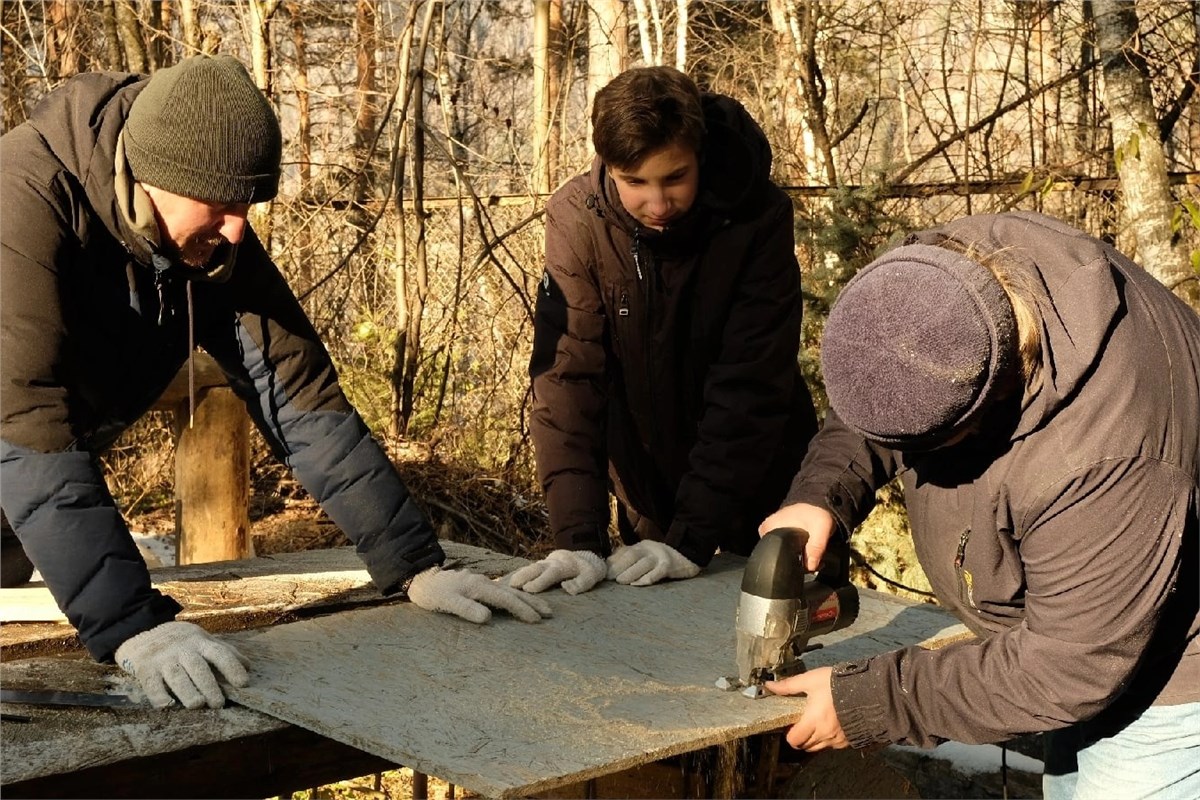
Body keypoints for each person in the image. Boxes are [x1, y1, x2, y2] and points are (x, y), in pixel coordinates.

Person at [0, 54, 551, 711]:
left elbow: (297, 392)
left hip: (30, 480)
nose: (239, 229)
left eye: (247, 205)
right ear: (151, 180)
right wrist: (132, 626)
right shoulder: (22, 203)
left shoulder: (207, 234)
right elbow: (25, 416)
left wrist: (414, 565)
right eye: (221, 205)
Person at [760, 211, 1199, 799]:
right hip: (1088, 622)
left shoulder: (1105, 450)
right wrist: (819, 496)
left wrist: (874, 700)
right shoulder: (939, 273)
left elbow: (1068, 667)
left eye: (922, 445)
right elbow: (887, 375)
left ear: (982, 403)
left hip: (1174, 668)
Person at [511, 66, 818, 596]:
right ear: (609, 167)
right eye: (635, 182)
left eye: (674, 177)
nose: (657, 204)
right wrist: (578, 537)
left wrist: (693, 537)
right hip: (648, 494)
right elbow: (567, 379)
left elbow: (750, 383)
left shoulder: (757, 217)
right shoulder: (576, 218)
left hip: (767, 486)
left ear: (698, 154)